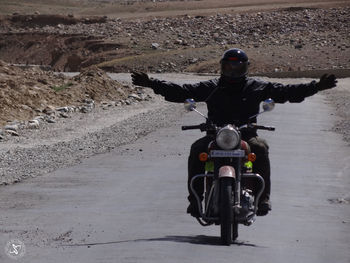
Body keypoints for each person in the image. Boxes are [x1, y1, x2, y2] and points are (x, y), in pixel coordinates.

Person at [131, 48, 337, 217]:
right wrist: (152, 83)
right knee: (197, 149)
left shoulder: (256, 87)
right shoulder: (211, 86)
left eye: (237, 66)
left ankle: (263, 198)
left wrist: (316, 87)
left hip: (246, 133)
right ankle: (195, 200)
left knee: (260, 148)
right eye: (228, 66)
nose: (232, 70)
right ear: (222, 67)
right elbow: (183, 91)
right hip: (216, 133)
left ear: (245, 68)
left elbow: (285, 92)